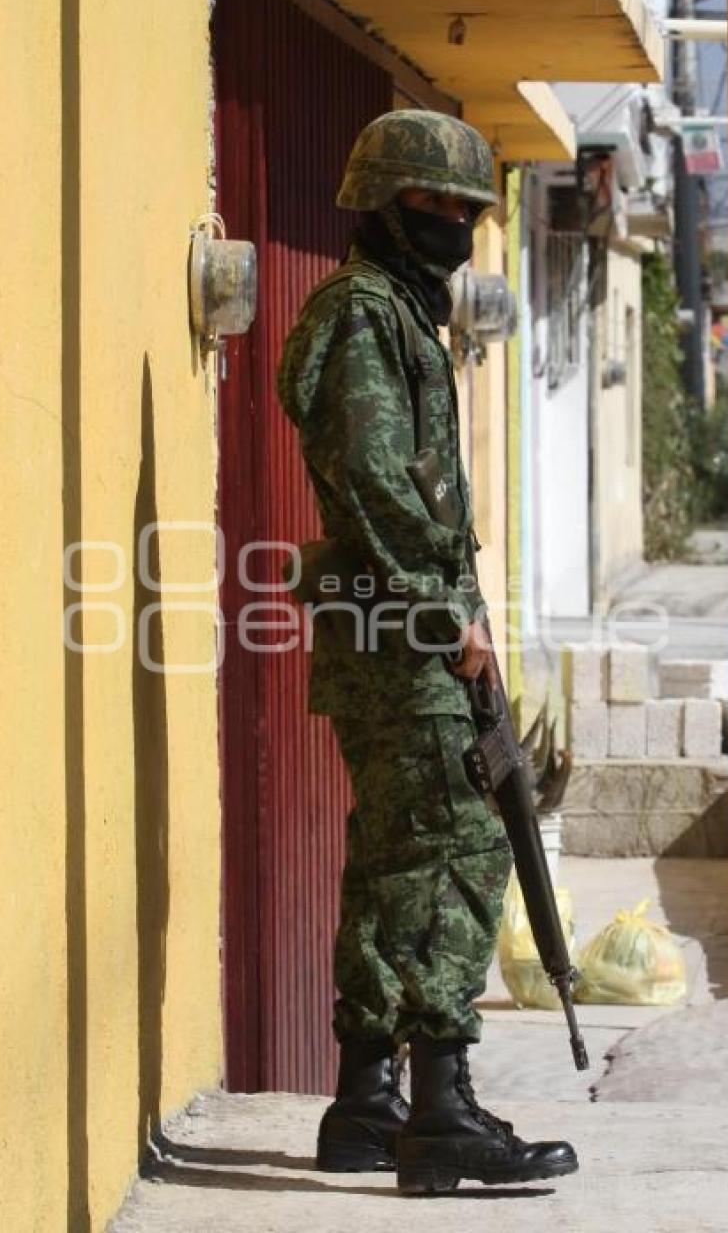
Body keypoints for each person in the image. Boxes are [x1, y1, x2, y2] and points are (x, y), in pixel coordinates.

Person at [277, 110, 577, 1194]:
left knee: (398, 857)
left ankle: (365, 1104)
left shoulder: (398, 311)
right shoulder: (363, 313)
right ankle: (442, 1112)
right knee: (456, 847)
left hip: (399, 623)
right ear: (381, 201)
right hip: (403, 629)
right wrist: (445, 612)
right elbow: (370, 477)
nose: (452, 221)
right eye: (432, 202)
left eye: (465, 208)